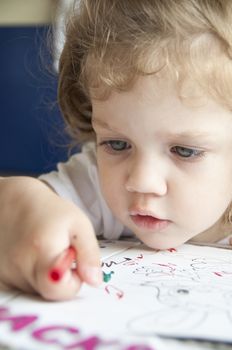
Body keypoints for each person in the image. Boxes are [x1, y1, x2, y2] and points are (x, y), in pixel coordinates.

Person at [1, 0, 232, 301]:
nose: (141, 181)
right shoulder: (96, 182)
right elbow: (23, 208)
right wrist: (18, 203)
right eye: (117, 144)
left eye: (184, 151)